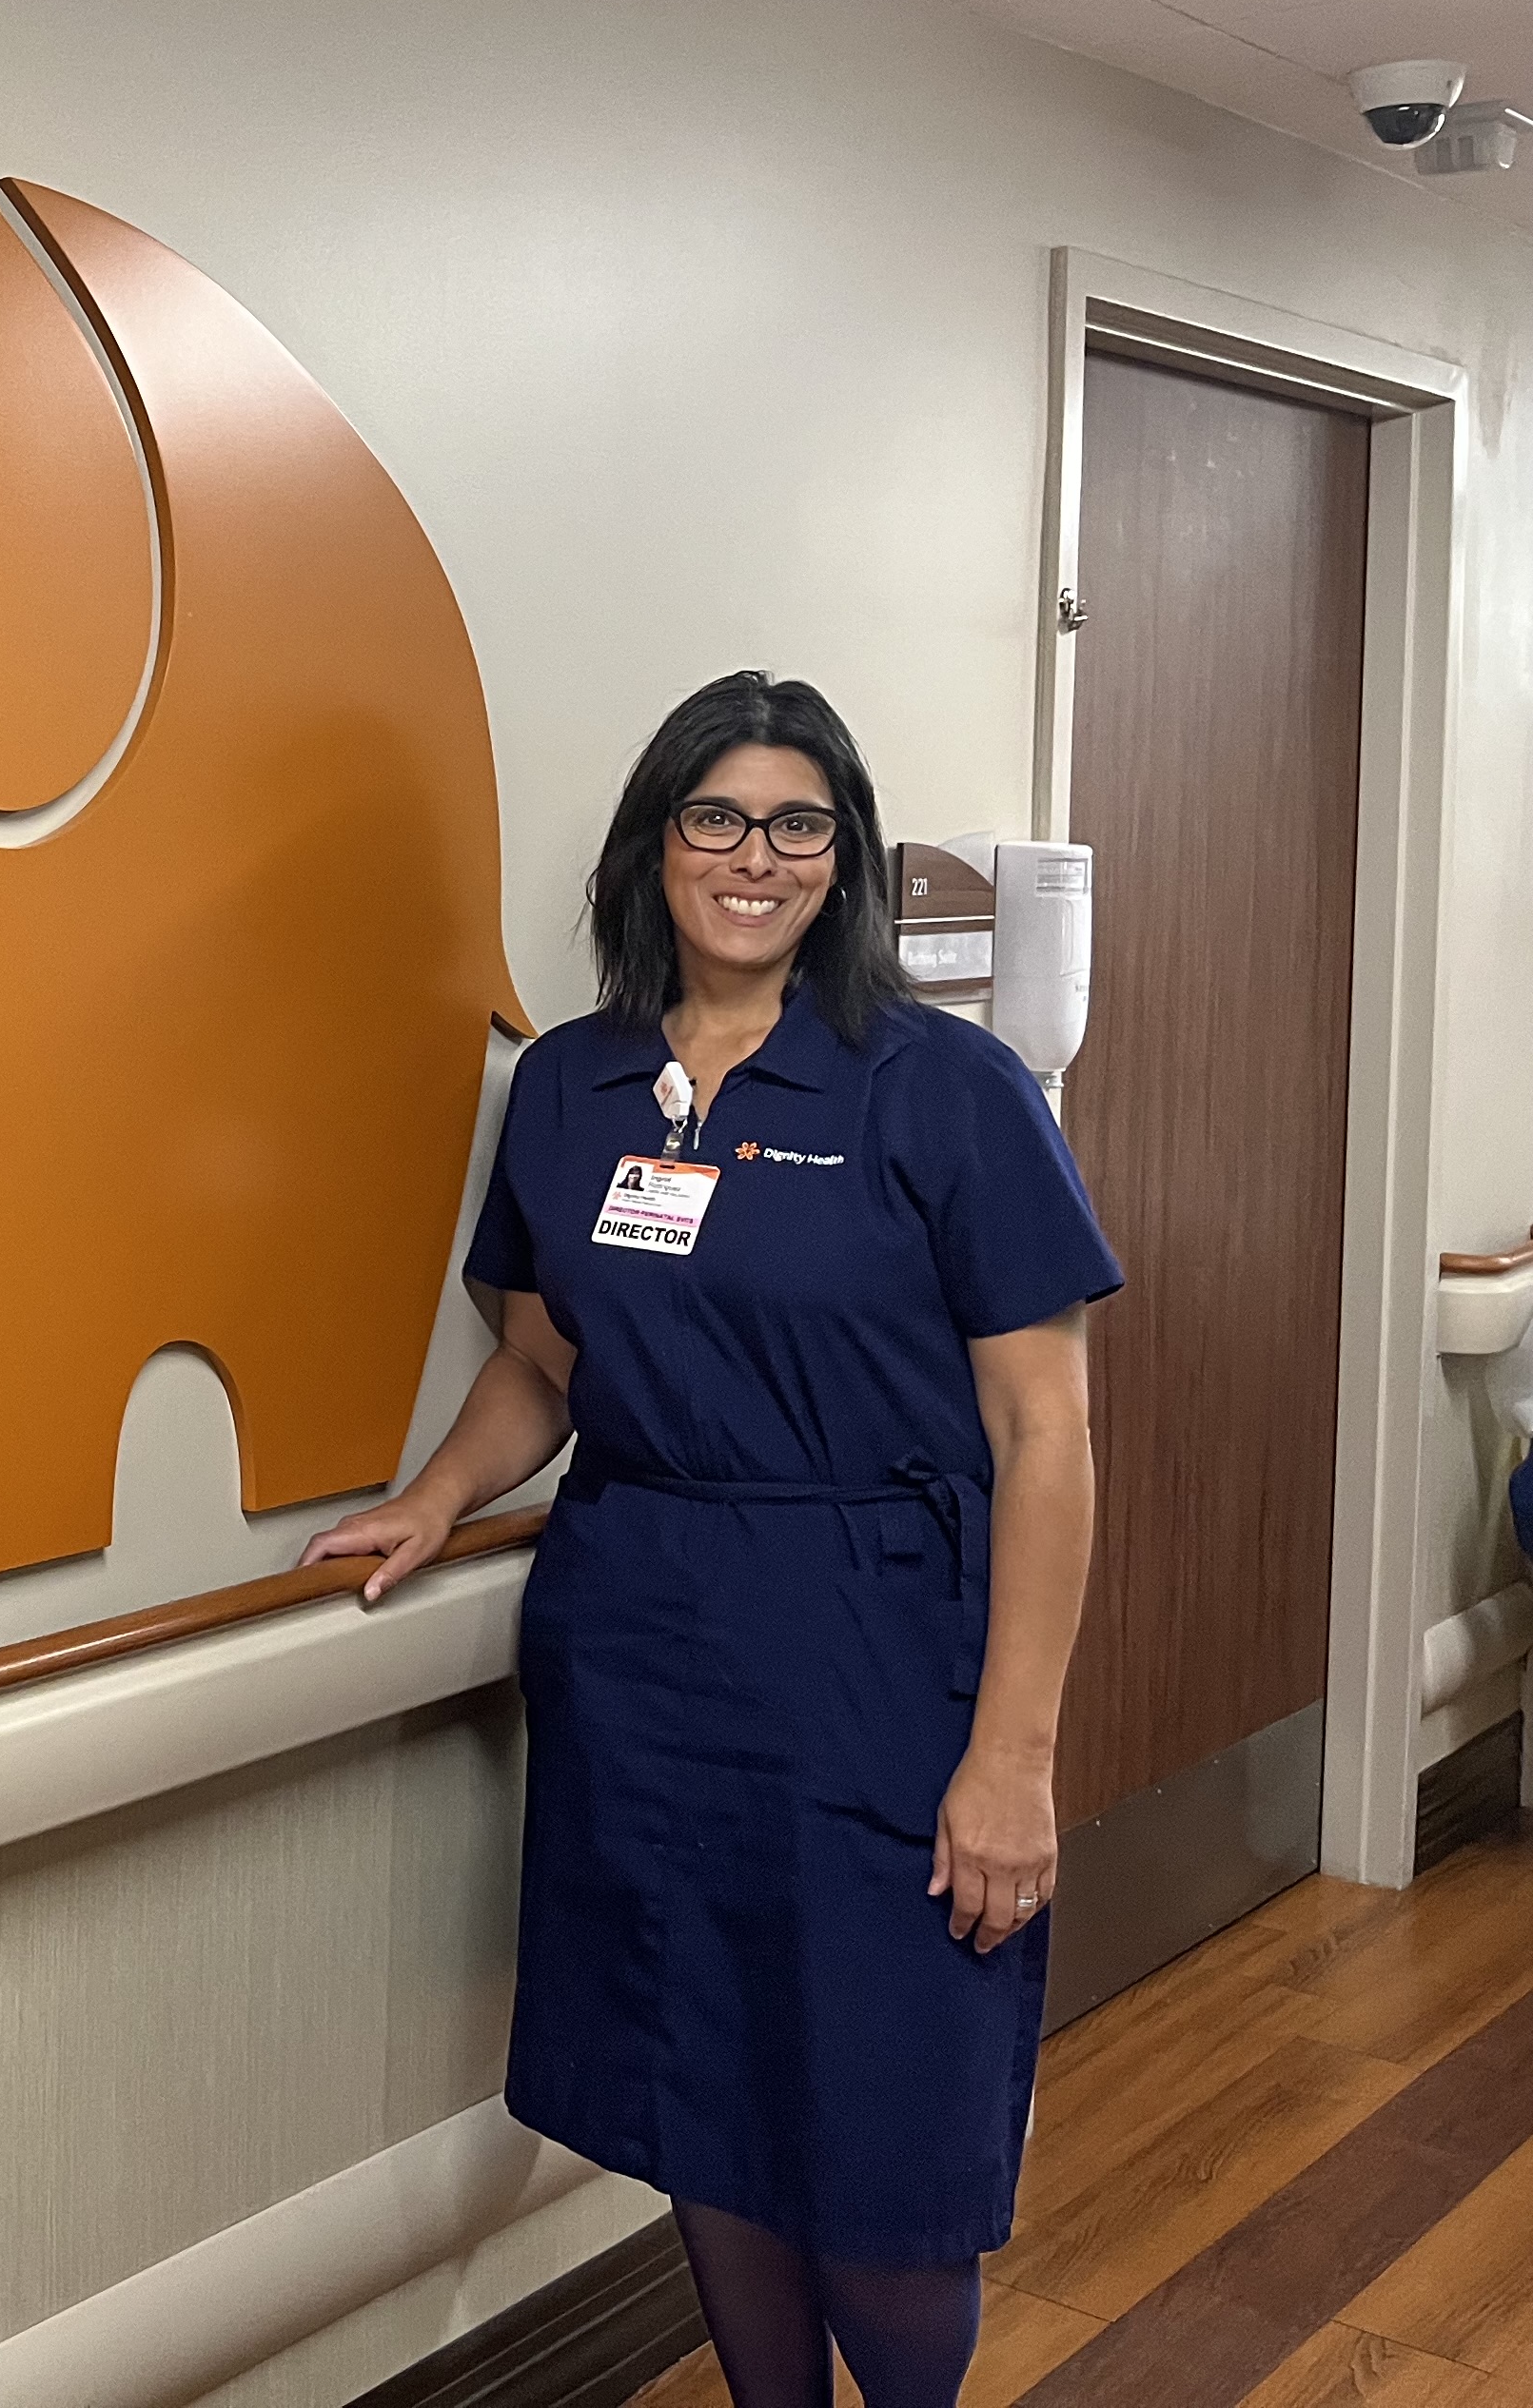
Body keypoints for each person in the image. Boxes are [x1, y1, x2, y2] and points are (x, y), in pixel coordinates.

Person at [305, 673, 1120, 2408]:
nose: (758, 857)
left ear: (846, 856)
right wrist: (438, 1497)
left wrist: (1014, 1759)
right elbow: (543, 1363)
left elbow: (1045, 1437)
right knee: (709, 2097)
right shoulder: (570, 1087)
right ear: (655, 846)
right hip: (644, 1649)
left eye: (799, 823)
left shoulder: (944, 1091)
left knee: (886, 2135)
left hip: (879, 1663)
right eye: (719, 817)